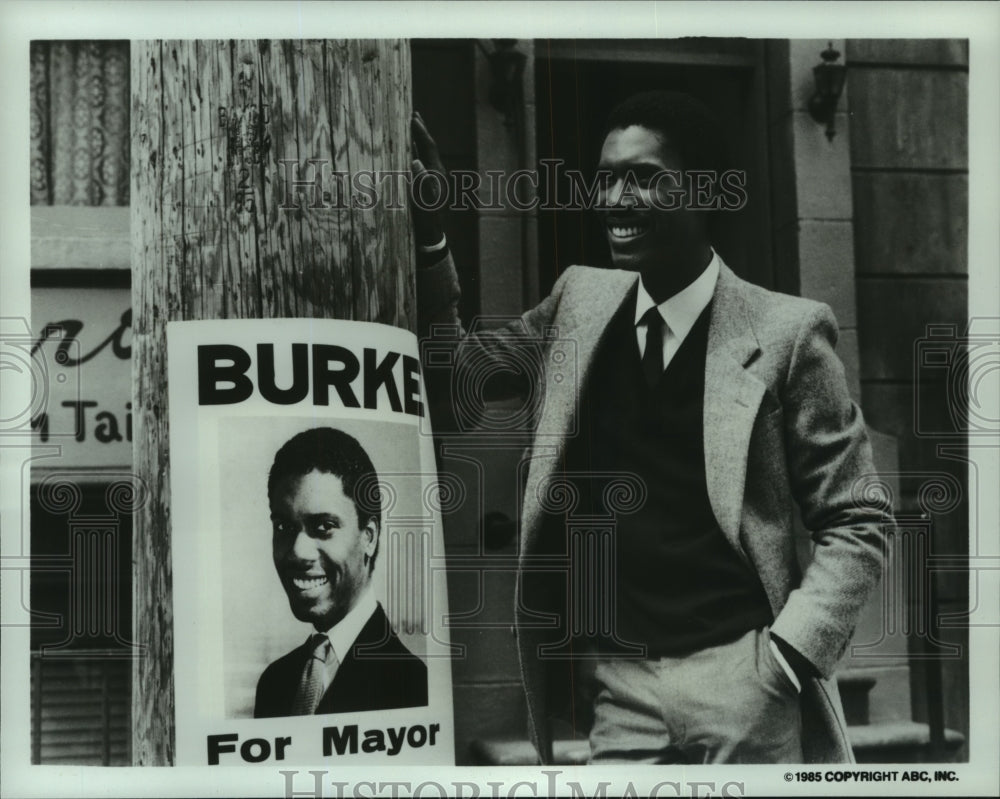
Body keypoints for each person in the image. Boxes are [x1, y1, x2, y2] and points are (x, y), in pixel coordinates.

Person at [412, 91, 892, 763]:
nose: (615, 197)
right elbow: (456, 391)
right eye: (606, 177)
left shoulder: (787, 333)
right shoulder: (578, 303)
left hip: (744, 685)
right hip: (622, 692)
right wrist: (431, 236)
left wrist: (787, 655)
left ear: (703, 193)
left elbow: (860, 516)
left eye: (643, 177)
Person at [254, 427, 427, 717]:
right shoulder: (275, 682)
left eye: (323, 527)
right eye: (284, 527)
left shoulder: (411, 686)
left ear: (368, 537)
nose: (298, 552)